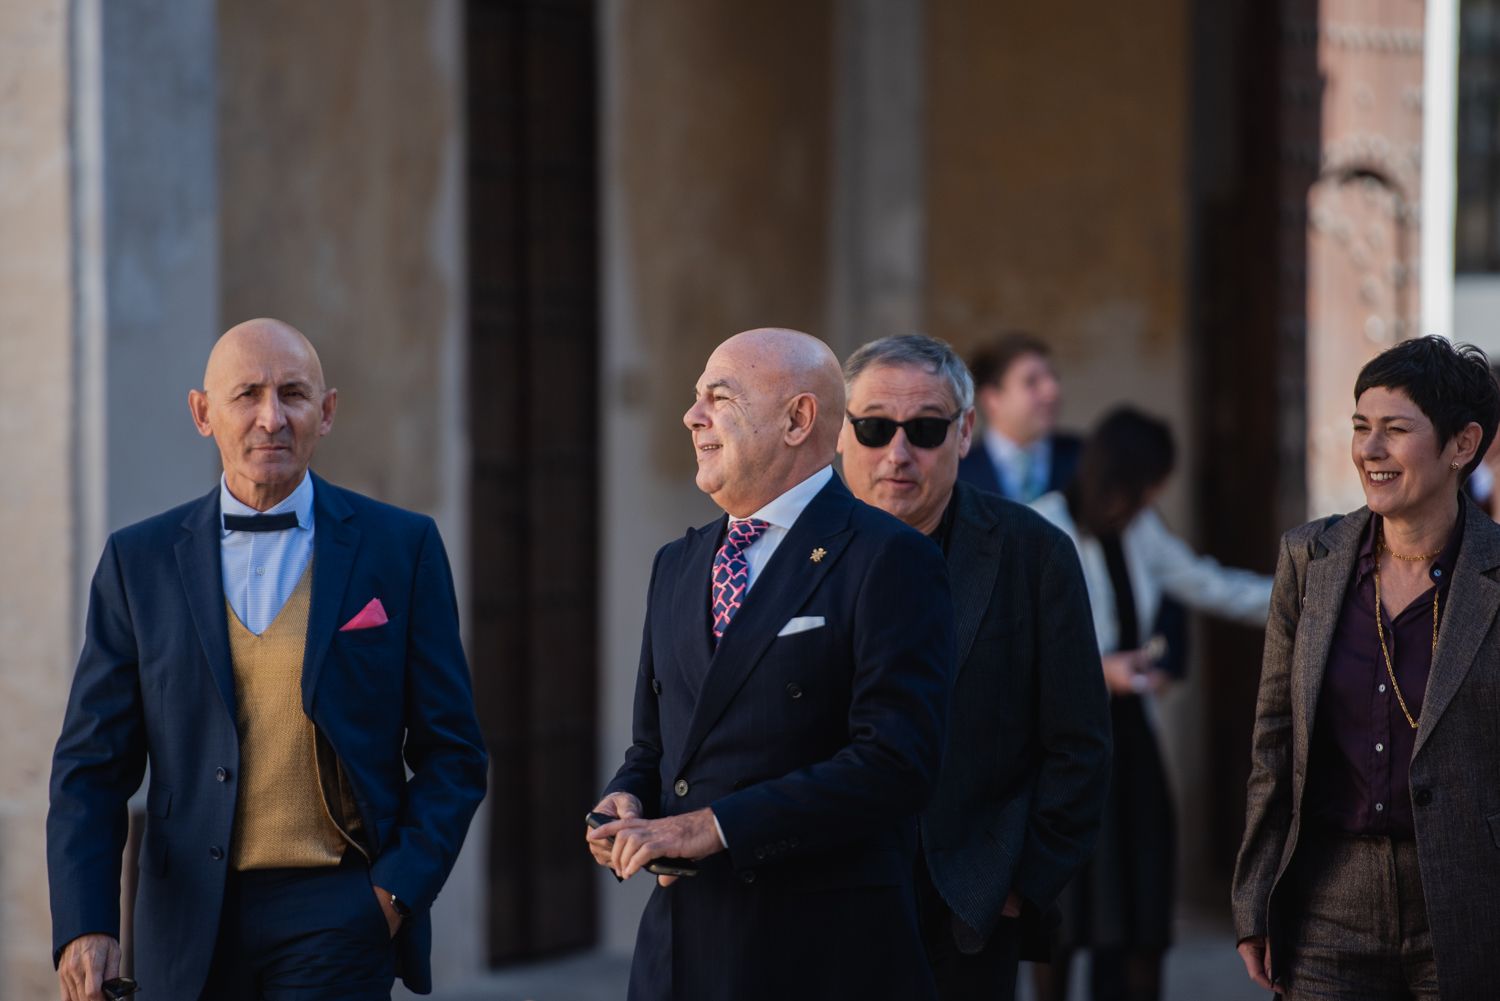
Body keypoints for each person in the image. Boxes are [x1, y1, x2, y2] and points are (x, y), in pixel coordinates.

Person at [48, 319, 489, 1001]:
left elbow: (454, 753)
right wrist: (86, 922)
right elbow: (91, 767)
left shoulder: (401, 549)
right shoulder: (137, 563)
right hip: (186, 918)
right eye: (246, 394)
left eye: (292, 393)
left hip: (338, 914)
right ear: (202, 413)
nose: (270, 417)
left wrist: (393, 893)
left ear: (328, 410)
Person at [585, 327, 955, 1001]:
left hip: (818, 955)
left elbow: (896, 764)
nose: (693, 416)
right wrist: (627, 797)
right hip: (680, 955)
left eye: (718, 397)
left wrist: (716, 825)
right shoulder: (678, 561)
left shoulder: (887, 557)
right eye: (696, 398)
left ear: (798, 419)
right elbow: (657, 745)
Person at [836, 334, 1111, 1001]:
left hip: (966, 908)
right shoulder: (798, 550)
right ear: (843, 433)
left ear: (964, 432)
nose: (897, 453)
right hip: (825, 898)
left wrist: (1017, 883)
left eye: (925, 428)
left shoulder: (1034, 553)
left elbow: (1080, 741)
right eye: (873, 427)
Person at [1233, 336, 1500, 1000]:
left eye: (1394, 430)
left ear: (1462, 444)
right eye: (1360, 427)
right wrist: (1255, 897)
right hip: (1330, 898)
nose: (1369, 451)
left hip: (1469, 898)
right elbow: (1273, 740)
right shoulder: (1309, 559)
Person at [1031, 406, 1272, 1001]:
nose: (1161, 490)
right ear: (1131, 474)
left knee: (1138, 916)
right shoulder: (1041, 524)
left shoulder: (1139, 528)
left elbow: (1208, 584)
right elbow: (1016, 649)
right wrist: (1099, 672)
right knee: (1062, 922)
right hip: (1060, 753)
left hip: (1132, 744)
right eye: (1155, 477)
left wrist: (1320, 589)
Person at [957, 331, 1079, 503]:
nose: (1052, 391)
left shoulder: (1083, 458)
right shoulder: (958, 472)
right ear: (992, 400)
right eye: (1031, 382)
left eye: (1054, 378)